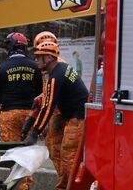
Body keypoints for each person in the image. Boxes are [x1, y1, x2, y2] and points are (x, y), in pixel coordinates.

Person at [25, 42, 89, 190]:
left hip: (78, 118)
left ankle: (71, 187)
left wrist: (34, 133)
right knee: (59, 153)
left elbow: (48, 107)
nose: (35, 60)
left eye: (38, 57)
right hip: (74, 116)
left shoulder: (56, 77)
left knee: (68, 156)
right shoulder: (61, 69)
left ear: (48, 58)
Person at [0, 32, 42, 190]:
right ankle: (25, 186)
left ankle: (18, 186)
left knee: (14, 154)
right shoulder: (35, 67)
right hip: (30, 115)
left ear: (9, 47)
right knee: (28, 153)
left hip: (9, 115)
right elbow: (40, 94)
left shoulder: (2, 68)